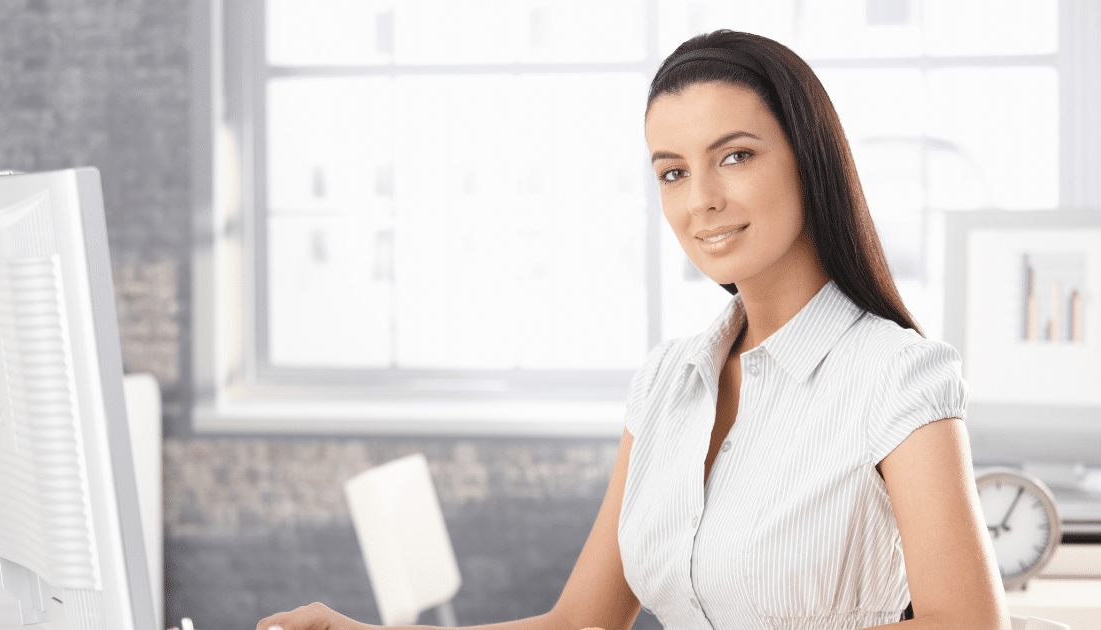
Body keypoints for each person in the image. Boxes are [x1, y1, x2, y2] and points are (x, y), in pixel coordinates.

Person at [258, 29, 1009, 630]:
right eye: (673, 172)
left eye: (735, 156)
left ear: (809, 160)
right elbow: (582, 622)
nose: (702, 200)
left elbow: (968, 623)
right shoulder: (665, 384)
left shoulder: (897, 374)